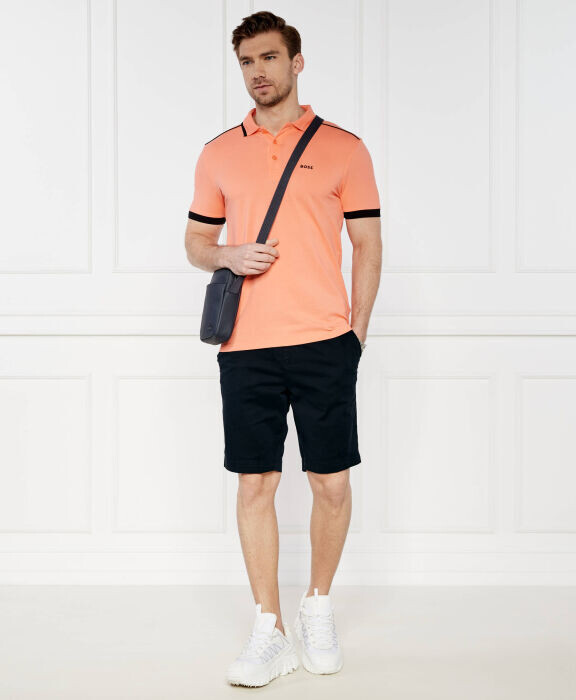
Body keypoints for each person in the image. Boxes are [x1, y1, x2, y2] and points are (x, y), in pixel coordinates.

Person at [185, 10, 382, 688]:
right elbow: (196, 243)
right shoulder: (218, 152)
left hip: (325, 341)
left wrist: (356, 333)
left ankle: (317, 606)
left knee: (332, 482)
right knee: (255, 483)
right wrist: (228, 254)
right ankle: (268, 626)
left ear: (297, 62)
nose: (257, 72)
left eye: (269, 58)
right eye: (246, 62)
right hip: (245, 346)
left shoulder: (345, 148)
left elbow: (367, 245)